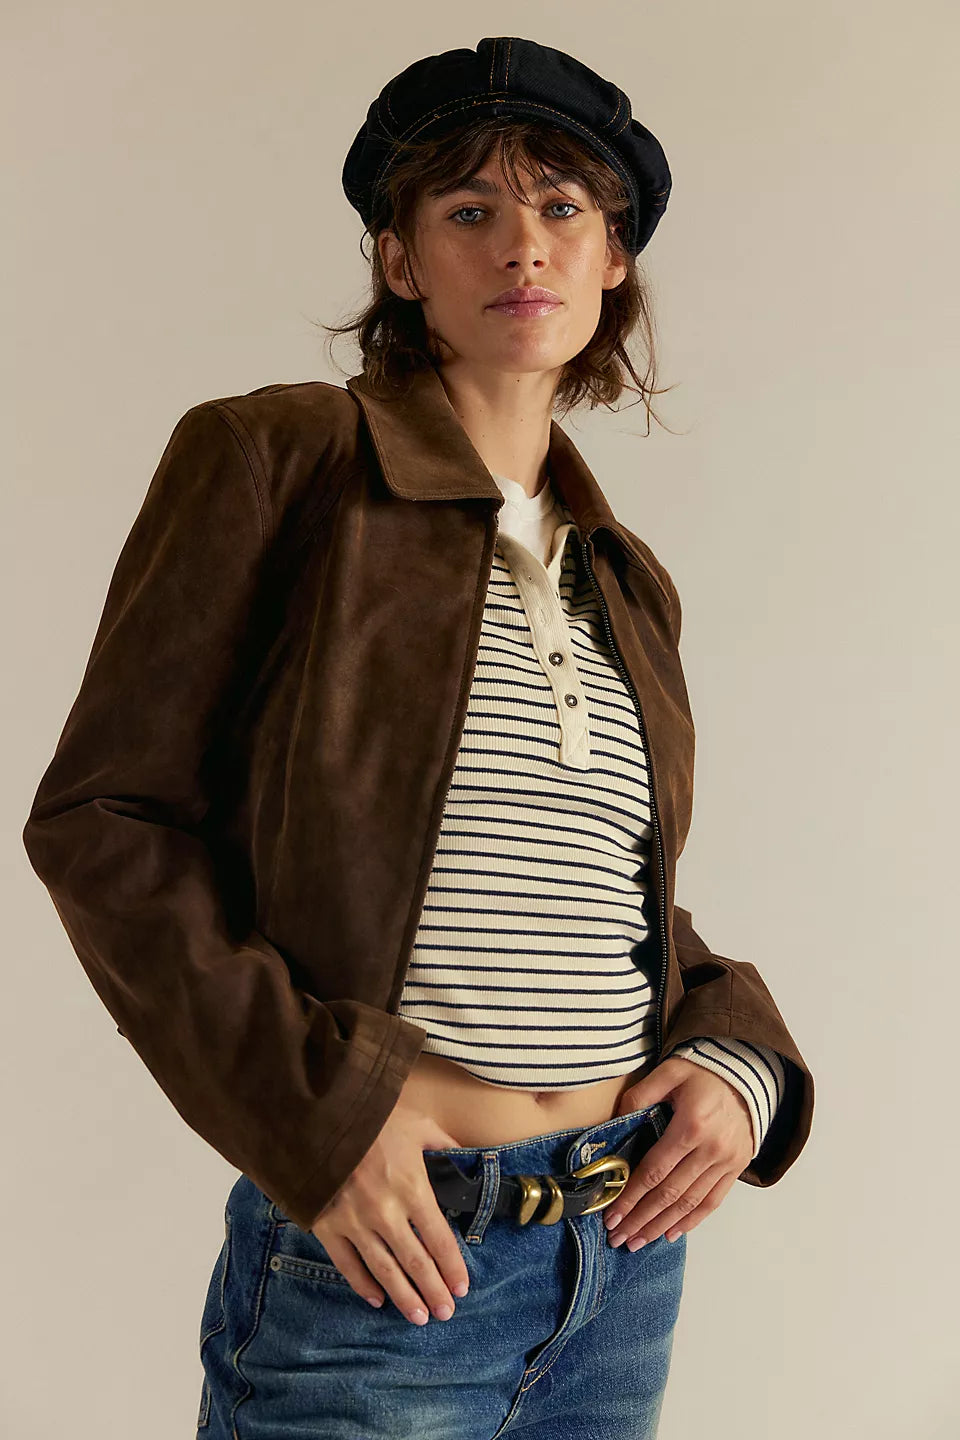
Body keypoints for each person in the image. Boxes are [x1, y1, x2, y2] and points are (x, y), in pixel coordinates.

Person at [22, 35, 814, 1440]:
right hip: (389, 1267)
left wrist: (738, 1057)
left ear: (614, 260)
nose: (524, 243)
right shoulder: (280, 461)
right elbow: (106, 820)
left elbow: (609, 899)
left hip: (620, 1261)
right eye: (469, 209)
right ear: (400, 262)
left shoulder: (621, 579)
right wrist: (312, 1122)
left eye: (564, 206)